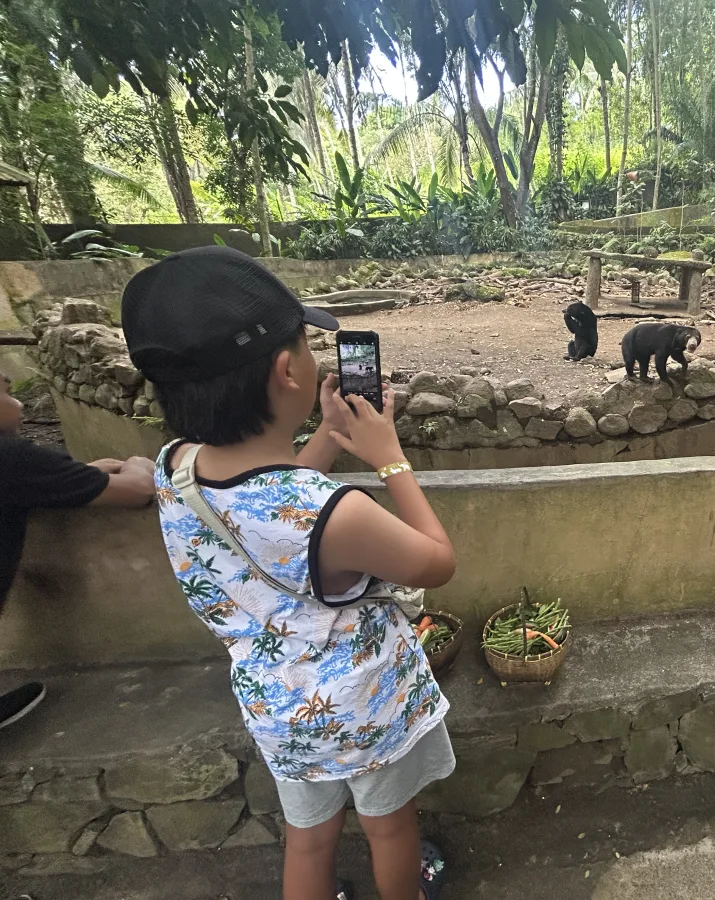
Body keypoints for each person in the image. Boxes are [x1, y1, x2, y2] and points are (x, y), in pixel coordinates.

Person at [120, 246, 457, 900]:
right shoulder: (341, 514)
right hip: (360, 707)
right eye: (306, 346)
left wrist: (328, 436)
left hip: (275, 702)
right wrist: (389, 458)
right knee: (389, 832)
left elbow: (272, 496)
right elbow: (436, 561)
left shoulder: (176, 465)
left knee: (308, 836)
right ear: (287, 370)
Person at [0, 370, 155, 729]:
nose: (19, 403)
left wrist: (83, 476)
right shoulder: (12, 458)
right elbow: (140, 490)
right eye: (6, 394)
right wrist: (140, 463)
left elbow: (36, 482)